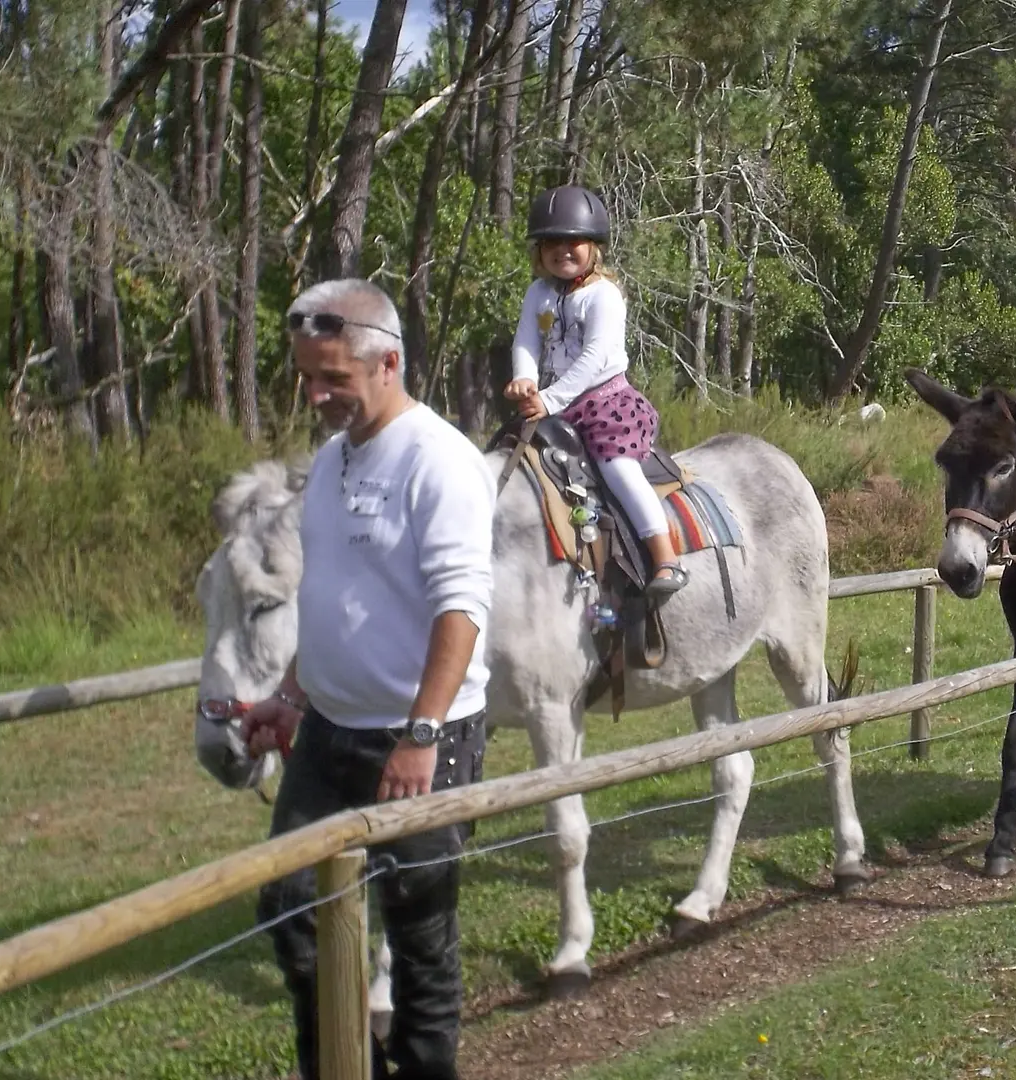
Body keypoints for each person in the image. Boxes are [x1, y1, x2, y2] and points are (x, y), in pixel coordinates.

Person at [241, 278, 496, 1080]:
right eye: (307, 378)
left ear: (388, 363)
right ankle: (344, 1067)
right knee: (289, 910)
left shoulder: (440, 461)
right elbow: (330, 595)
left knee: (419, 934)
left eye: (334, 381)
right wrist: (290, 692)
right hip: (325, 734)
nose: (316, 395)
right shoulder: (328, 460)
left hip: (422, 737)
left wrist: (421, 734)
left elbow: (462, 609)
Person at [502, 184, 686, 597]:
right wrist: (525, 377)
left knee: (617, 469)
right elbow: (526, 341)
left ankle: (665, 558)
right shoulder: (539, 293)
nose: (562, 250)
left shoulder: (603, 296)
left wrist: (547, 398)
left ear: (593, 247)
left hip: (608, 406)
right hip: (553, 405)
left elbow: (595, 358)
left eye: (573, 242)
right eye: (552, 242)